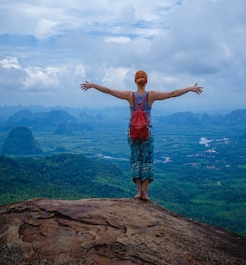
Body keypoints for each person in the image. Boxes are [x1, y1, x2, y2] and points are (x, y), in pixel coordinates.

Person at [81, 70, 203, 201]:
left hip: (132, 132)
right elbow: (172, 94)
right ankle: (145, 193)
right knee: (147, 160)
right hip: (147, 131)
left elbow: (109, 91)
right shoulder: (152, 95)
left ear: (135, 81)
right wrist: (190, 88)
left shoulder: (129, 95)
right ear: (146, 81)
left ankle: (138, 192)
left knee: (136, 159)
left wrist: (93, 85)